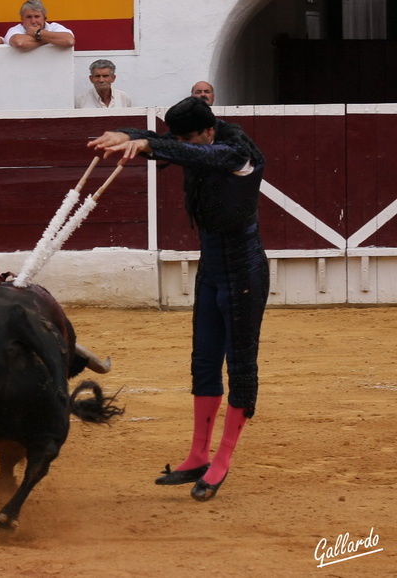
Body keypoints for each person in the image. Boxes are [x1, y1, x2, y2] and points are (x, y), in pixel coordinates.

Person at [89, 97, 269, 502]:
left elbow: (187, 152)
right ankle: (197, 455)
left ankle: (221, 461)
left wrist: (151, 144)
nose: (186, 143)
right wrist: (131, 136)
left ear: (209, 130)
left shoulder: (238, 151)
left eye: (191, 136)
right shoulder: (198, 141)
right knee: (204, 362)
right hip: (212, 270)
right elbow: (169, 143)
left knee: (240, 366)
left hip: (244, 272)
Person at [4, 0, 74, 51]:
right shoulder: (16, 29)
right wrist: (51, 39)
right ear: (22, 19)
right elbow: (19, 42)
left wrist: (37, 33)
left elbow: (69, 41)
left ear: (44, 18)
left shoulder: (54, 27)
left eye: (37, 16)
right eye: (29, 17)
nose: (33, 21)